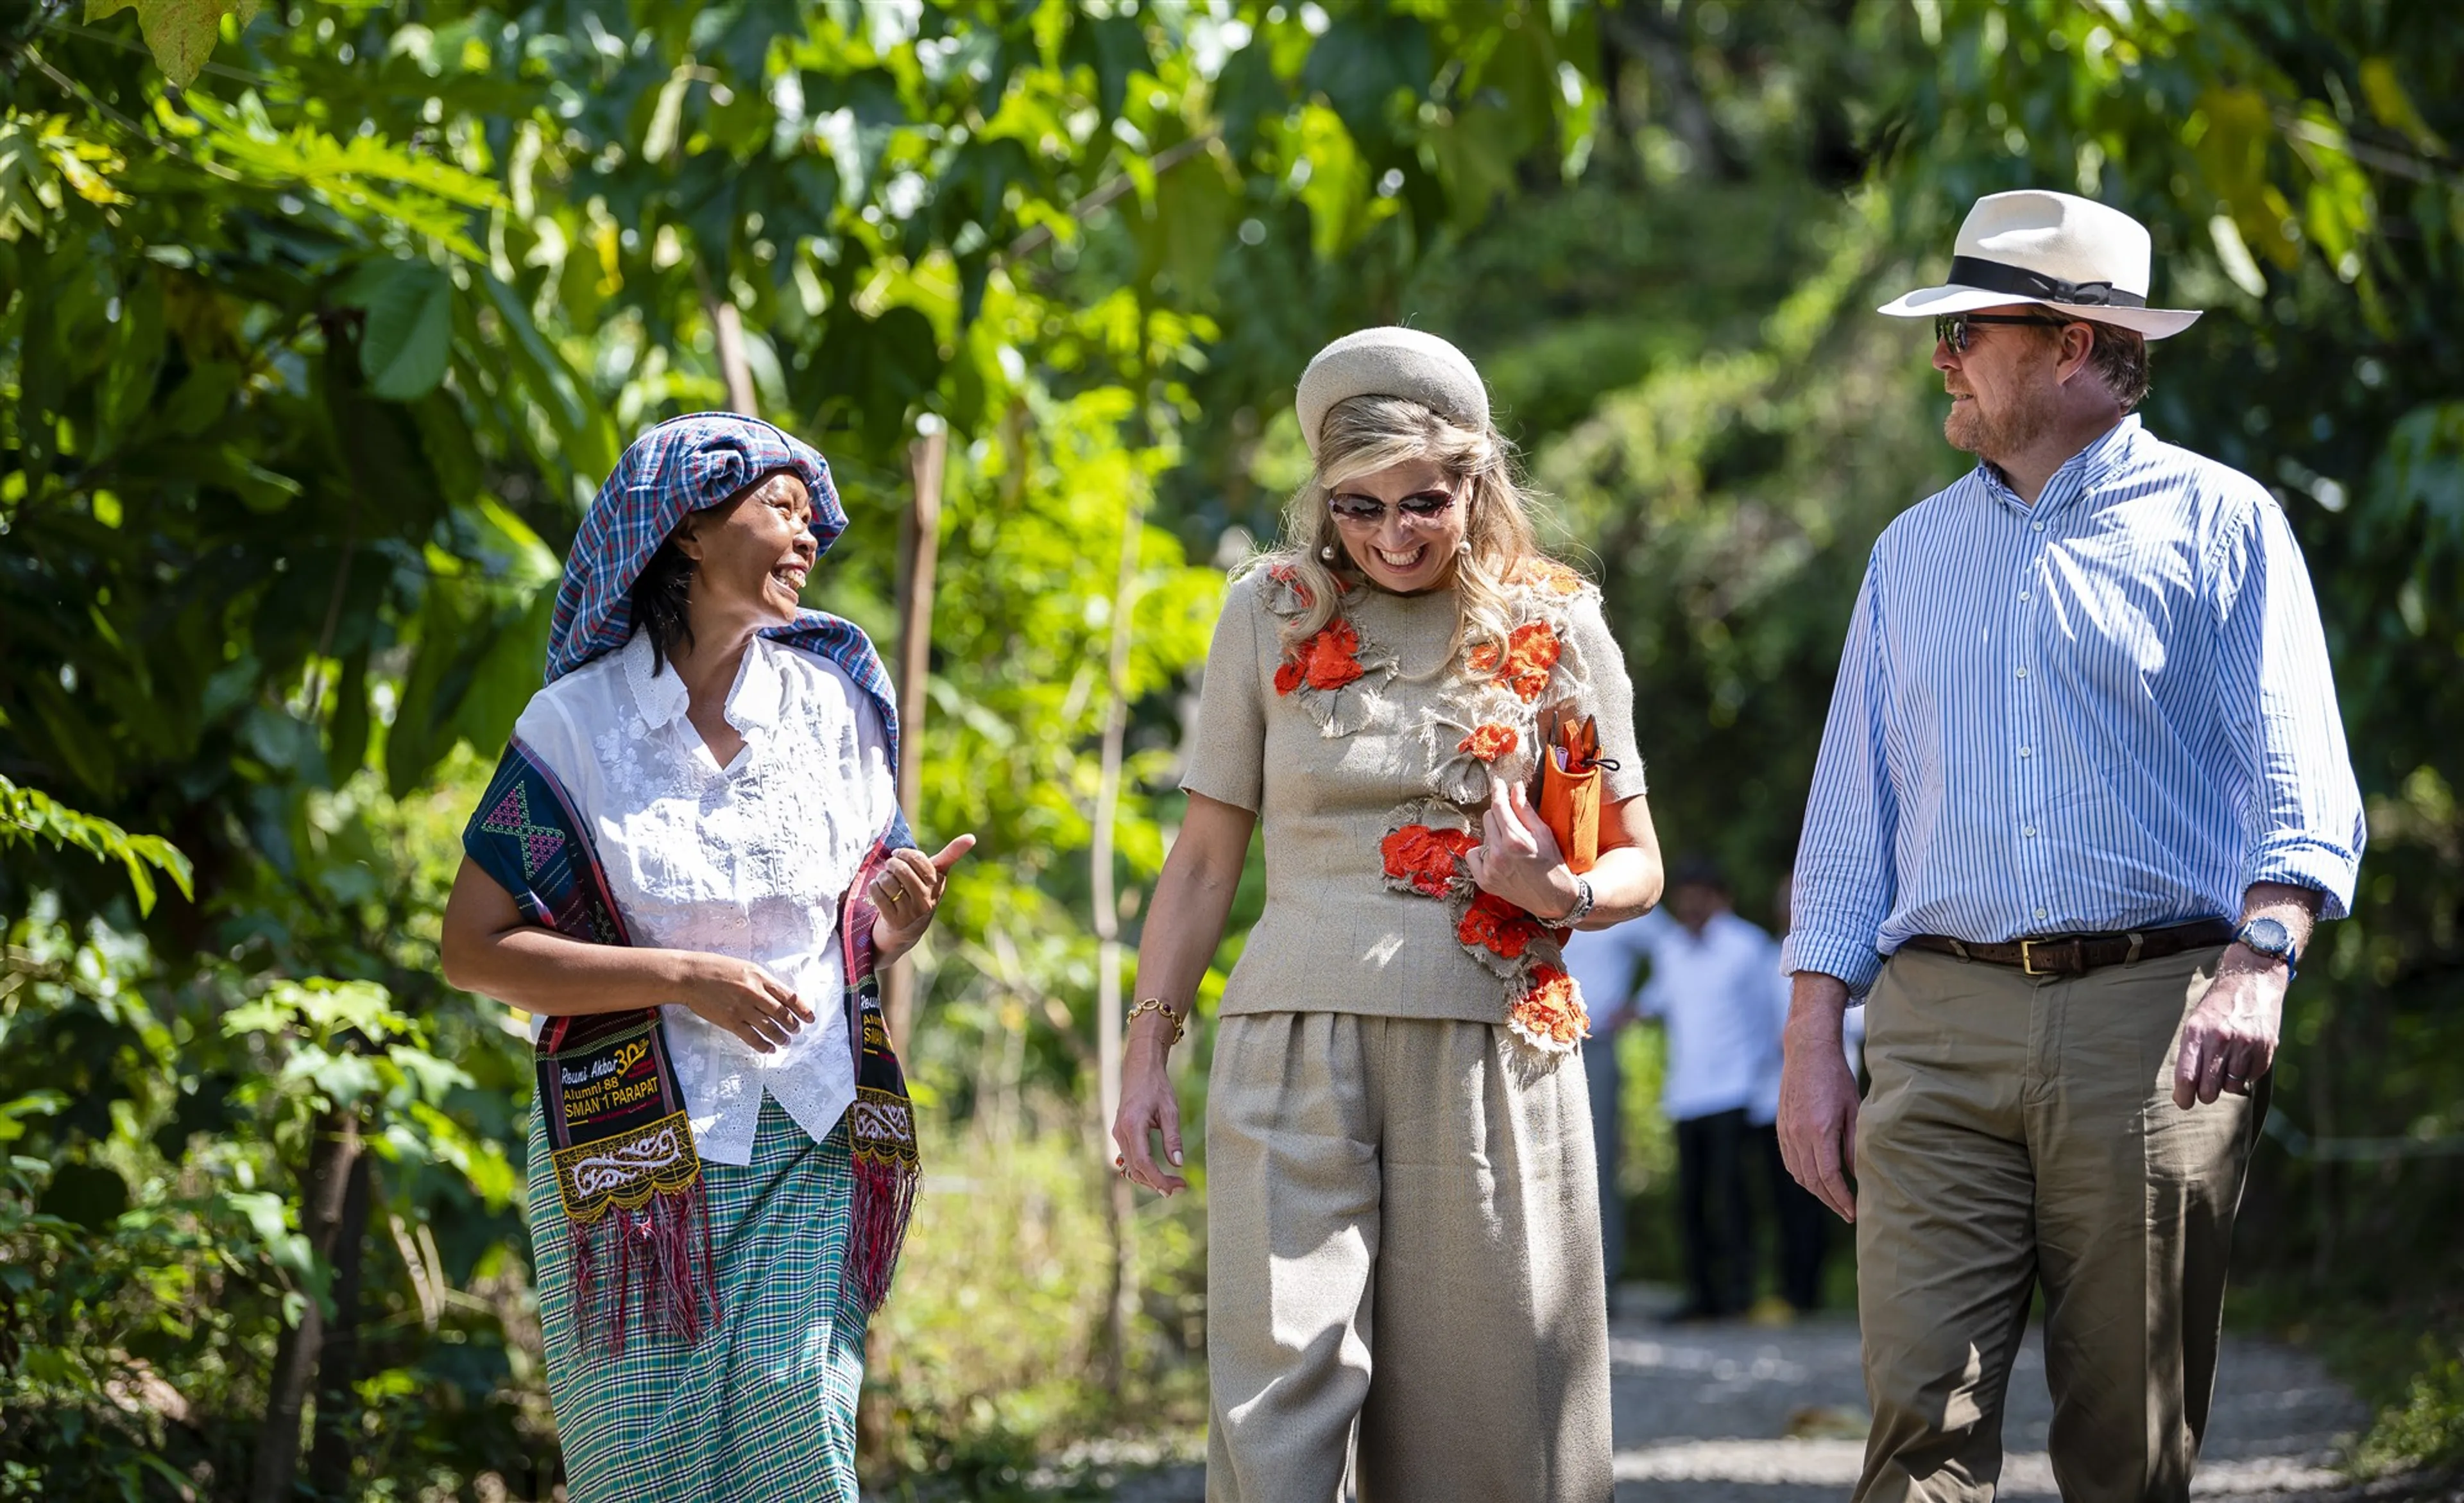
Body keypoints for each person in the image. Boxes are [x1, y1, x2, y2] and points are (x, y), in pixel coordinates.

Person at [1778, 190, 2365, 1500]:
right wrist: (1815, 1035)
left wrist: (2261, 961)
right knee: (1915, 1430)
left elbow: (2299, 778)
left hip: (2155, 1023)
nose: (1941, 356)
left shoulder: (2224, 525)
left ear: (2068, 345)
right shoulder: (1909, 554)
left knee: (2127, 1444)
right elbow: (1847, 819)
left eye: (1966, 331)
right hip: (1932, 1025)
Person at [1110, 327, 1664, 1502]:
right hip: (1293, 1041)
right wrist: (1146, 1046)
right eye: (1357, 509)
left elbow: (1636, 866)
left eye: (1422, 501)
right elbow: (1206, 862)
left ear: (1476, 479)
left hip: (1490, 1050)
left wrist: (1556, 891)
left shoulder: (1558, 625)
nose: (1392, 535)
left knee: (1490, 1429)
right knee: (1276, 1412)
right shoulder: (1269, 612)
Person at [438, 415, 972, 1502]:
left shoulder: (832, 706)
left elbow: (865, 905)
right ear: (682, 530)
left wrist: (896, 919)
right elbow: (474, 947)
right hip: (636, 1150)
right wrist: (683, 978)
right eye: (780, 507)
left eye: (813, 518)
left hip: (809, 1124)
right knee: (639, 1469)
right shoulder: (576, 727)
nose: (808, 533)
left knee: (798, 1439)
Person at [1629, 857, 1783, 1323]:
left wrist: (1763, 1078)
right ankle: (1701, 1295)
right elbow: (1653, 1001)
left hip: (1735, 1089)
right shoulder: (1671, 949)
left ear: (1720, 898)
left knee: (1733, 1197)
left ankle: (1739, 1293)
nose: (1691, 904)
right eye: (1685, 895)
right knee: (1692, 1201)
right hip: (1686, 1092)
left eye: (1701, 895)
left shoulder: (1747, 946)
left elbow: (1769, 1016)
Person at [1560, 902, 1675, 1301]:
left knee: (1597, 1158)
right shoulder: (1529, 873)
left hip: (1595, 1042)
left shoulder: (1612, 887)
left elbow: (1674, 948)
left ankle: (1601, 1283)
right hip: (1524, 1038)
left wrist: (1642, 1006)